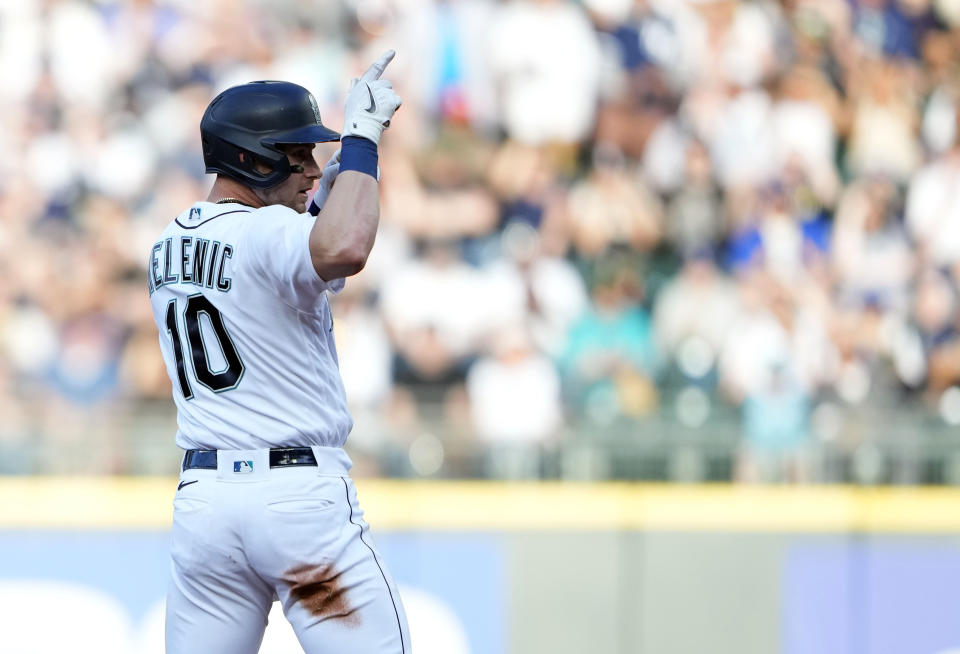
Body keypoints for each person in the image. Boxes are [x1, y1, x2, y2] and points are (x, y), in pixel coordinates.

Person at [147, 51, 409, 653]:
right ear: (251, 155)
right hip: (297, 506)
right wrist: (364, 144)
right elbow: (340, 247)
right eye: (298, 155)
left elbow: (282, 254)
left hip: (206, 509)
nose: (313, 170)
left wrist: (333, 186)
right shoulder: (266, 234)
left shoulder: (167, 241)